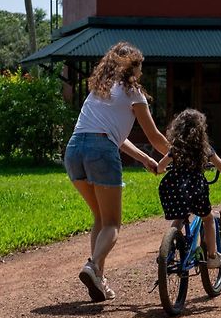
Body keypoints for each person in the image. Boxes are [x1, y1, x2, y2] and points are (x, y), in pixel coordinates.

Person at [64, 41, 168, 302]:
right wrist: (179, 151)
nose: (141, 74)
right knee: (112, 223)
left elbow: (114, 135)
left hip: (74, 150)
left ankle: (97, 278)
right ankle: (92, 265)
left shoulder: (98, 90)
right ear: (131, 68)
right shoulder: (133, 91)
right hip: (100, 152)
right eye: (139, 68)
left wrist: (145, 159)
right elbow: (154, 136)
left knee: (100, 216)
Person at [156, 108, 221, 268]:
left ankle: (167, 251)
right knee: (208, 219)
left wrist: (161, 168)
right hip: (195, 189)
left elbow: (160, 168)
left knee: (180, 218)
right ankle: (212, 256)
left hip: (173, 189)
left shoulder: (175, 149)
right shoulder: (205, 148)